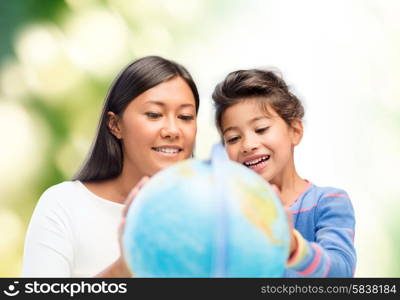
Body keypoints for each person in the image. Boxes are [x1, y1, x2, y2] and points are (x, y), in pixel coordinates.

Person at [22, 56, 200, 277]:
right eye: (154, 115)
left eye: (185, 116)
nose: (173, 130)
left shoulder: (209, 215)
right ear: (115, 125)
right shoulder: (64, 205)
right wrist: (123, 268)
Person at [212, 69, 356, 277]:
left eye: (261, 129)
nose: (248, 145)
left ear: (295, 131)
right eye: (233, 138)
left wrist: (294, 247)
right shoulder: (228, 215)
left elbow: (340, 271)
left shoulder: (328, 202)